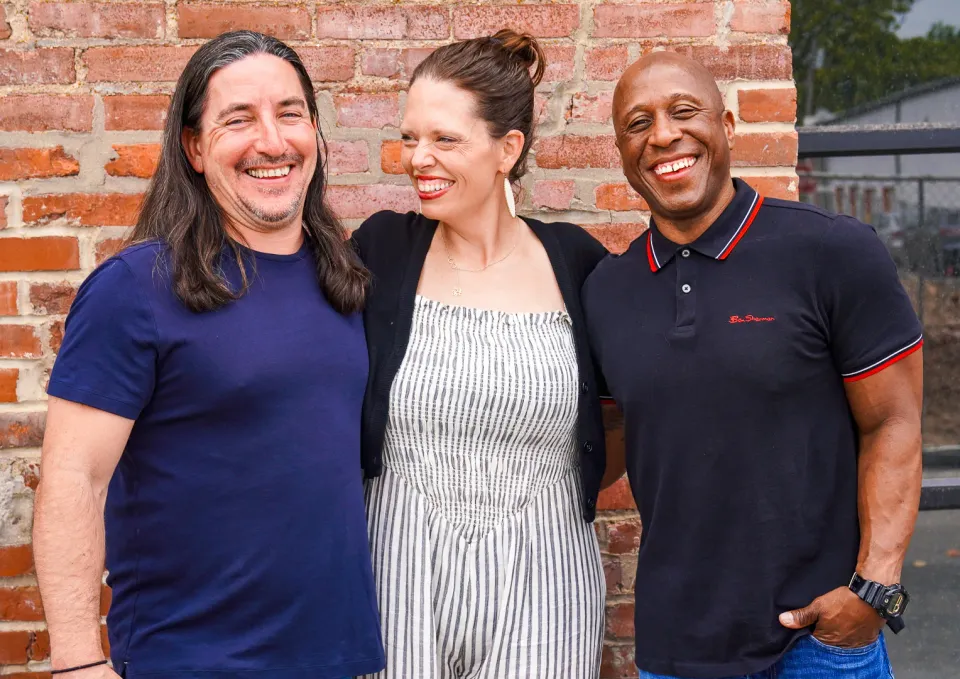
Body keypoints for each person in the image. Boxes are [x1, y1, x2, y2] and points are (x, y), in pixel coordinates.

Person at [32, 31, 384, 679]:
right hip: (191, 659)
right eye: (238, 120)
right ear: (194, 147)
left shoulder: (346, 280)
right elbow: (73, 477)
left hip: (336, 657)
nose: (272, 142)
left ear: (314, 130)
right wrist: (78, 661)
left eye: (290, 113)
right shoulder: (134, 288)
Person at [583, 51, 923, 679]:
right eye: (638, 123)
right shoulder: (607, 292)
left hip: (820, 644)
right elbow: (607, 445)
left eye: (684, 112)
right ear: (622, 151)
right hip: (677, 650)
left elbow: (893, 423)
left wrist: (873, 590)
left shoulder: (831, 251)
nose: (663, 135)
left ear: (728, 126)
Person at [352, 29, 623, 679]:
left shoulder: (577, 264)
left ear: (508, 149)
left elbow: (629, 411)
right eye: (410, 137)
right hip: (397, 575)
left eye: (445, 139)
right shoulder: (380, 251)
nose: (418, 158)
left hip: (544, 581)